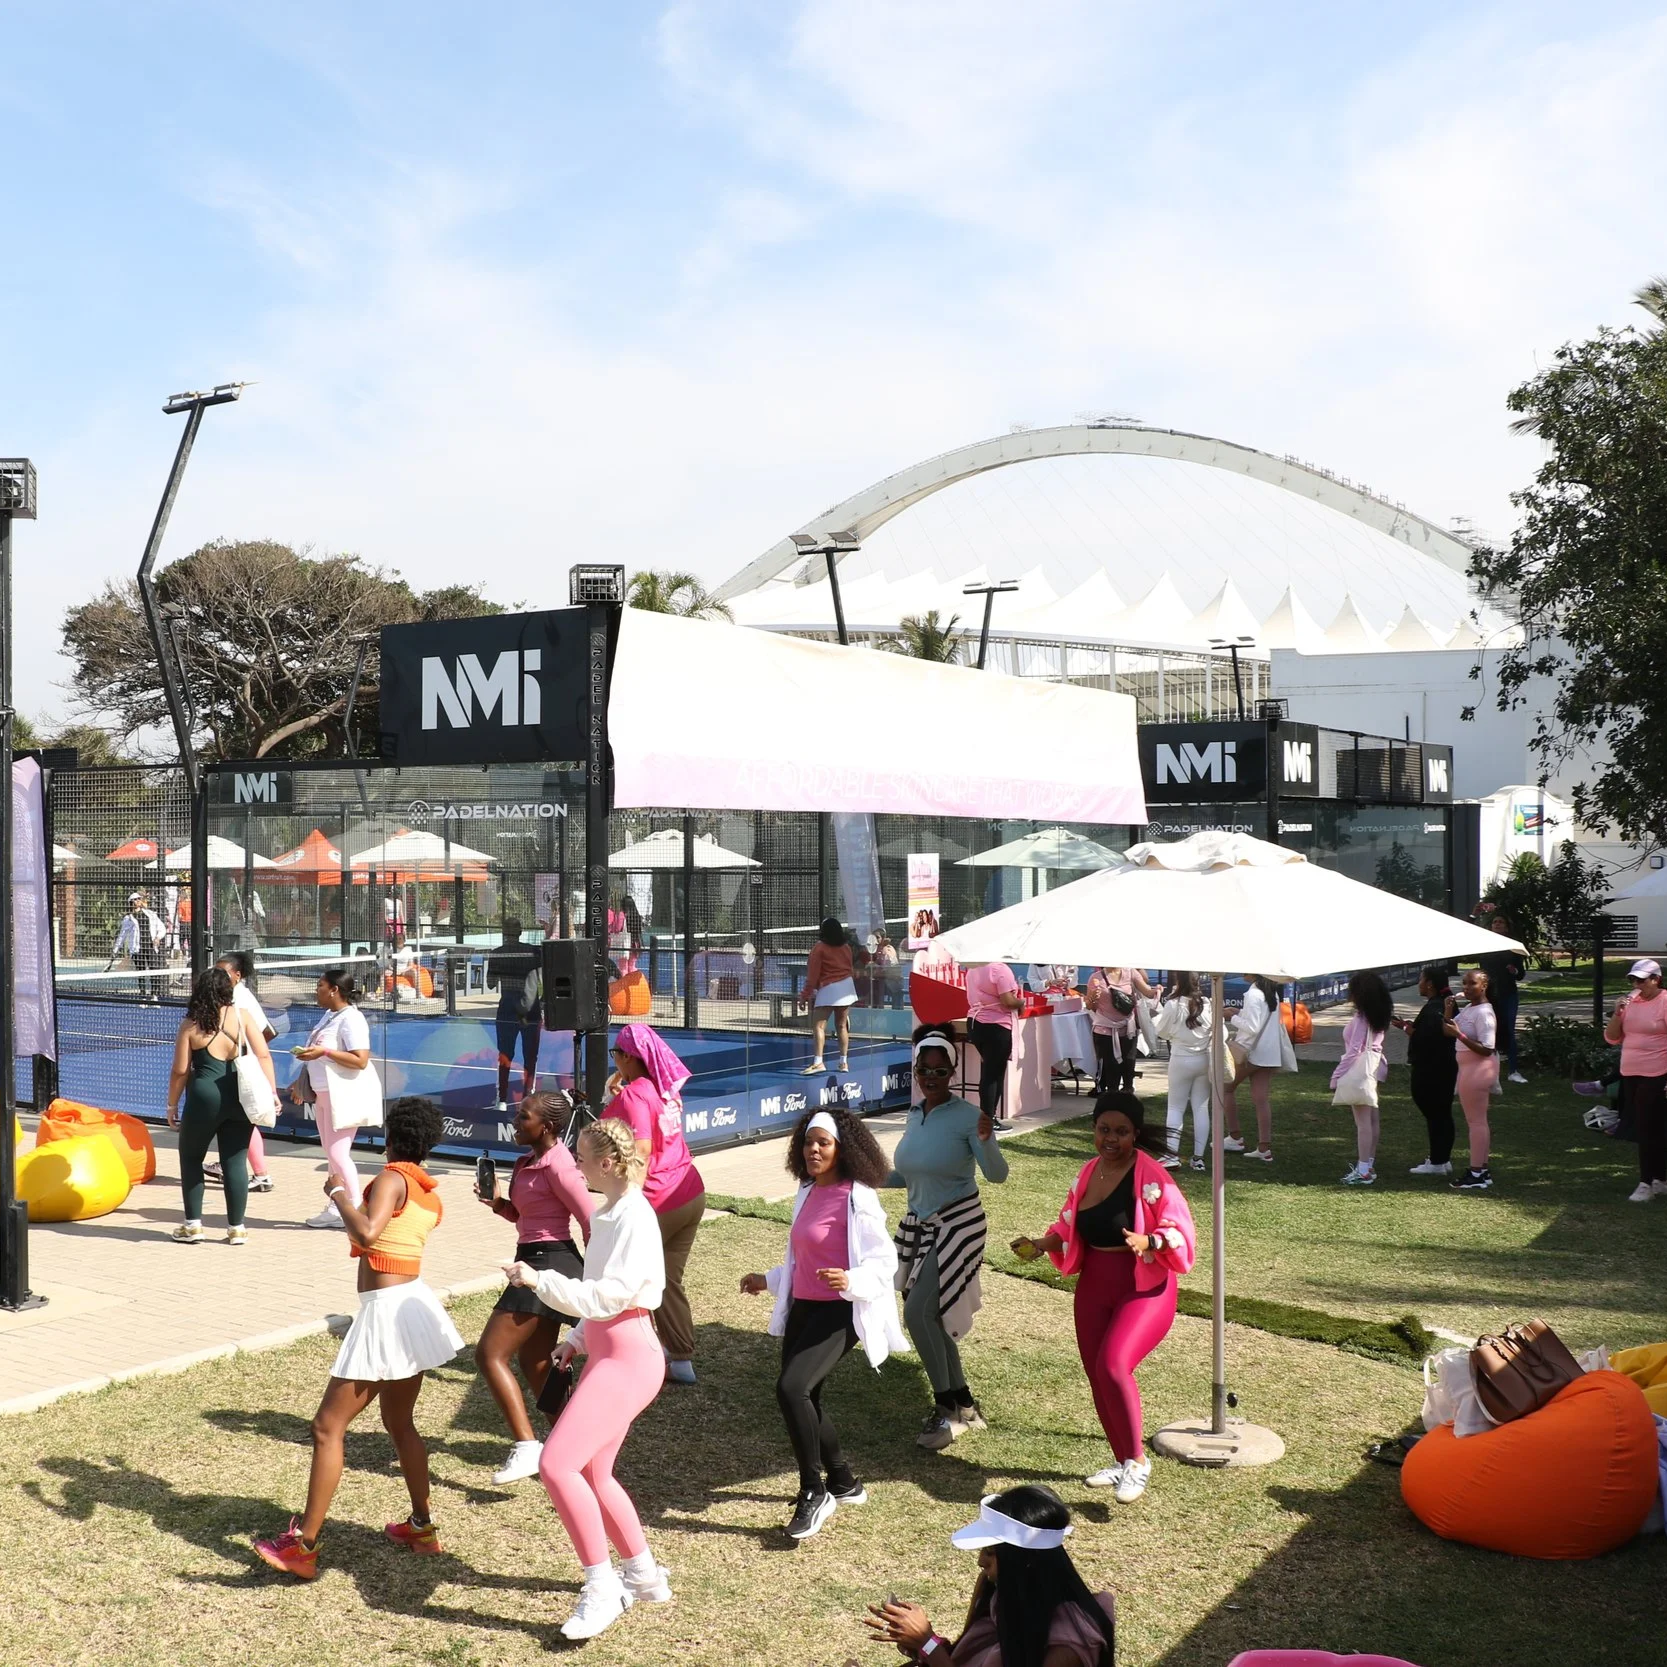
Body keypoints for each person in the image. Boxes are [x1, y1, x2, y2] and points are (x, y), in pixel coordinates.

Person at [255, 1096, 462, 1580]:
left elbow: (369, 1234)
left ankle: (303, 1547)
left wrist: (338, 1195)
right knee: (401, 1423)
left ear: (391, 1135)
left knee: (327, 1428)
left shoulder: (392, 1178)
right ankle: (422, 1526)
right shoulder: (428, 1190)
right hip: (412, 1307)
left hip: (386, 1314)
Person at [502, 1117, 673, 1641]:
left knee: (556, 1464)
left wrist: (540, 1280)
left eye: (580, 1157)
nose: (574, 1165)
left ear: (607, 1163)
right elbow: (601, 1296)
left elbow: (608, 1296)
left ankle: (603, 1589)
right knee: (595, 1475)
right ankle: (643, 1576)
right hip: (610, 1352)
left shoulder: (633, 1218)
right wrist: (576, 1340)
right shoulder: (613, 1212)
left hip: (629, 1359)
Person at [1011, 1093, 1195, 1502]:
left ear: (1136, 1133)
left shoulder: (1152, 1177)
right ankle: (1122, 1461)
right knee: (1097, 1372)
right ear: (1094, 1130)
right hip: (1095, 1283)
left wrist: (1150, 1239)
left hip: (1143, 1287)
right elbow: (1069, 1224)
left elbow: (1179, 1229)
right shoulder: (1088, 1171)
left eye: (1122, 1132)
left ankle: (1138, 1462)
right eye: (1104, 1130)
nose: (1111, 1138)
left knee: (1114, 1365)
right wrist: (1040, 1244)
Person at [739, 1106, 907, 1540]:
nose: (813, 1149)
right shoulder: (807, 1190)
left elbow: (884, 1260)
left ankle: (814, 1492)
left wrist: (851, 1280)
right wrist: (769, 1280)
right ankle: (843, 1481)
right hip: (804, 1309)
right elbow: (803, 1258)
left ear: (842, 1148)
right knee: (807, 1396)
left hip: (841, 1312)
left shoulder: (858, 1196)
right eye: (808, 1142)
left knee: (790, 1388)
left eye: (823, 1143)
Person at [886, 1024, 1010, 1450]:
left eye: (940, 1072)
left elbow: (997, 1175)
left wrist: (986, 1139)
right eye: (925, 1070)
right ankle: (964, 1404)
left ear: (953, 1074)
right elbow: (908, 1174)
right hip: (920, 1225)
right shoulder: (915, 1113)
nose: (932, 1079)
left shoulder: (966, 1116)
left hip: (959, 1225)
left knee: (917, 1314)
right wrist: (858, 1174)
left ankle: (943, 1412)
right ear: (916, 1071)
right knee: (931, 1317)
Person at [475, 1091, 594, 1484]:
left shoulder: (560, 1166)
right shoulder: (530, 1160)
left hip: (549, 1262)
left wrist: (599, 1278)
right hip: (534, 1255)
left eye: (523, 1117)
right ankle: (575, 1446)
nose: (515, 1121)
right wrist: (499, 1205)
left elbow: (590, 1220)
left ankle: (528, 1448)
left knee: (489, 1354)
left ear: (547, 1126)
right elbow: (527, 1216)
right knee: (535, 1362)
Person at [864, 1485, 1115, 1667]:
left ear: (1024, 1560)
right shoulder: (999, 1588)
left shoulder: (1068, 1646)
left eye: (991, 1552)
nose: (980, 1560)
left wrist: (926, 1643)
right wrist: (924, 1645)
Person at [605, 1023, 706, 1385]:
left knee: (620, 1276)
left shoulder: (635, 1095)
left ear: (629, 1058)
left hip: (657, 1200)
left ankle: (623, 1353)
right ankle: (680, 1359)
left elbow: (642, 1149)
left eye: (615, 1054)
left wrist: (626, 1203)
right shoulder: (666, 1087)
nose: (613, 1060)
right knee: (666, 1279)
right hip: (689, 1192)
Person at [166, 966, 277, 1245]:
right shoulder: (243, 1016)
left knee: (191, 1157)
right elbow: (263, 1055)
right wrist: (272, 1092)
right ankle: (237, 1228)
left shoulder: (191, 1025)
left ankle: (193, 1226)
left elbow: (180, 1070)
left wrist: (171, 1105)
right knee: (235, 1161)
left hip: (204, 1096)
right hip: (239, 1096)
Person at [290, 968, 374, 1229]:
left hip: (343, 1094)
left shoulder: (352, 1019)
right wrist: (300, 1081)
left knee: (338, 1154)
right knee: (332, 1153)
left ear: (334, 990)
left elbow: (360, 1060)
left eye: (320, 986)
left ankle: (357, 1209)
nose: (317, 991)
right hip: (323, 1092)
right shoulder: (329, 1015)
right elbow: (318, 1053)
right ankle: (337, 1207)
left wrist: (323, 1052)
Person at [202, 952, 278, 1195]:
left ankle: (260, 1174)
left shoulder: (241, 998)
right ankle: (237, 1166)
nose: (219, 976)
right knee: (240, 1120)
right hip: (234, 1067)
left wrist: (245, 1053)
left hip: (241, 1069)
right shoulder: (228, 995)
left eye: (224, 972)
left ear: (237, 975)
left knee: (245, 1120)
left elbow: (265, 1033)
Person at [1604, 957, 1667, 1203]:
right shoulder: (1630, 1003)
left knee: (1645, 1126)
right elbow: (1612, 1037)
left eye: (1642, 979)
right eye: (1633, 979)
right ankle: (1660, 1179)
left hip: (1658, 1071)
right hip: (1631, 1071)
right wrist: (1618, 1015)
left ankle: (1645, 1182)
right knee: (1654, 1126)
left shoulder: (1664, 1002)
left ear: (1656, 979)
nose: (1637, 983)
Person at [1394, 966, 1459, 1177]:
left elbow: (1426, 1039)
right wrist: (1408, 1026)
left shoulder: (1436, 1008)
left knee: (1436, 1114)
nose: (1419, 983)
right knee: (1441, 1114)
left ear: (1430, 983)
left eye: (1421, 979)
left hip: (1432, 1069)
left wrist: (1406, 1028)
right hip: (1443, 1067)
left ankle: (1438, 1161)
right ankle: (1442, 1158)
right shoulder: (1440, 1005)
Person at [1333, 971, 1392, 1186]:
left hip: (1360, 1070)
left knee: (1363, 1123)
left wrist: (1337, 1075)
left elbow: (1354, 1051)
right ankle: (1368, 1164)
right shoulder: (1378, 1016)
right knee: (1372, 1120)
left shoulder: (1361, 1018)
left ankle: (1363, 1168)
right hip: (1373, 1068)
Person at [1444, 966, 1498, 1191]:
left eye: (1472, 983)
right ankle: (1481, 1170)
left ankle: (1476, 1172)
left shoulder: (1484, 1013)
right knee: (1478, 1121)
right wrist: (1448, 1011)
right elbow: (1447, 1030)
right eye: (1464, 983)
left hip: (1477, 1069)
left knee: (1475, 1122)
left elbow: (1487, 1048)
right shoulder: (1469, 1009)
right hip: (1469, 1069)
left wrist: (1461, 1035)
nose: (1466, 988)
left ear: (1484, 986)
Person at [1153, 972, 1211, 1171]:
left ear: (1179, 981)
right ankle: (1198, 1158)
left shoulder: (1174, 1004)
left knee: (1175, 1107)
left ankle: (1171, 1155)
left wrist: (1172, 1033)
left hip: (1180, 1058)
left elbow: (1160, 1031)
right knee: (1201, 1108)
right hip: (1203, 1058)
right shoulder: (1206, 1003)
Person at [486, 917, 543, 1111]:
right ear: (520, 932)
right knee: (530, 1056)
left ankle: (502, 1099)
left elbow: (490, 983)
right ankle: (528, 1097)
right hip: (530, 1010)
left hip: (508, 1008)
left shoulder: (497, 954)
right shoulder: (534, 952)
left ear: (503, 932)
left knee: (505, 1055)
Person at [1224, 975, 1283, 1161]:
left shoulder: (1254, 994)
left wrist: (1231, 1016)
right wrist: (1240, 1013)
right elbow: (1259, 1020)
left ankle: (1234, 1136)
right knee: (1261, 1099)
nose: (1242, 973)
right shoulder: (1271, 993)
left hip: (1251, 1053)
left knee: (1225, 1088)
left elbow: (1252, 1027)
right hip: (1268, 1053)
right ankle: (1264, 1147)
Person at [966, 958, 1025, 1127]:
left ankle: (988, 1116)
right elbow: (1007, 1000)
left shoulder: (973, 967)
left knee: (989, 1071)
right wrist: (1020, 1002)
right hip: (996, 1025)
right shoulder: (999, 969)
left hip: (975, 1023)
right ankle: (988, 1118)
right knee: (994, 1074)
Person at [1085, 967, 1156, 1097]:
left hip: (1128, 1027)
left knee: (1129, 1061)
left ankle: (1128, 1090)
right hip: (1104, 1029)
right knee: (1110, 1065)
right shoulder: (1095, 977)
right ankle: (1111, 1094)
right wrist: (1093, 999)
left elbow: (1148, 992)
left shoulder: (1131, 972)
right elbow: (1090, 1006)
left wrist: (1157, 991)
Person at [801, 915, 858, 1073]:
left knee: (819, 1026)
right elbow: (849, 968)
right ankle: (843, 1063)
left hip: (829, 988)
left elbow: (812, 977)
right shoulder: (846, 947)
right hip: (847, 988)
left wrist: (804, 996)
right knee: (841, 1026)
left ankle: (818, 1062)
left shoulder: (819, 948)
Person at [1479, 915, 1528, 1084]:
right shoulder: (1485, 945)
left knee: (1508, 1030)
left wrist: (1514, 970)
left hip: (1508, 994)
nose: (1497, 924)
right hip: (1489, 994)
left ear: (1507, 927)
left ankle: (1513, 1071)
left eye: (1501, 922)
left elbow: (1521, 974)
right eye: (1495, 922)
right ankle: (1487, 1070)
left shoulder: (1513, 948)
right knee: (1487, 1030)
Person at [109, 891, 165, 1003]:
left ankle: (154, 995)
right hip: (137, 949)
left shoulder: (150, 914)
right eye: (135, 899)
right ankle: (143, 996)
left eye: (139, 899)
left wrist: (158, 938)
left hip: (150, 946)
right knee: (141, 972)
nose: (137, 901)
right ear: (130, 903)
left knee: (154, 969)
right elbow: (122, 935)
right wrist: (115, 950)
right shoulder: (128, 918)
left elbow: (162, 928)